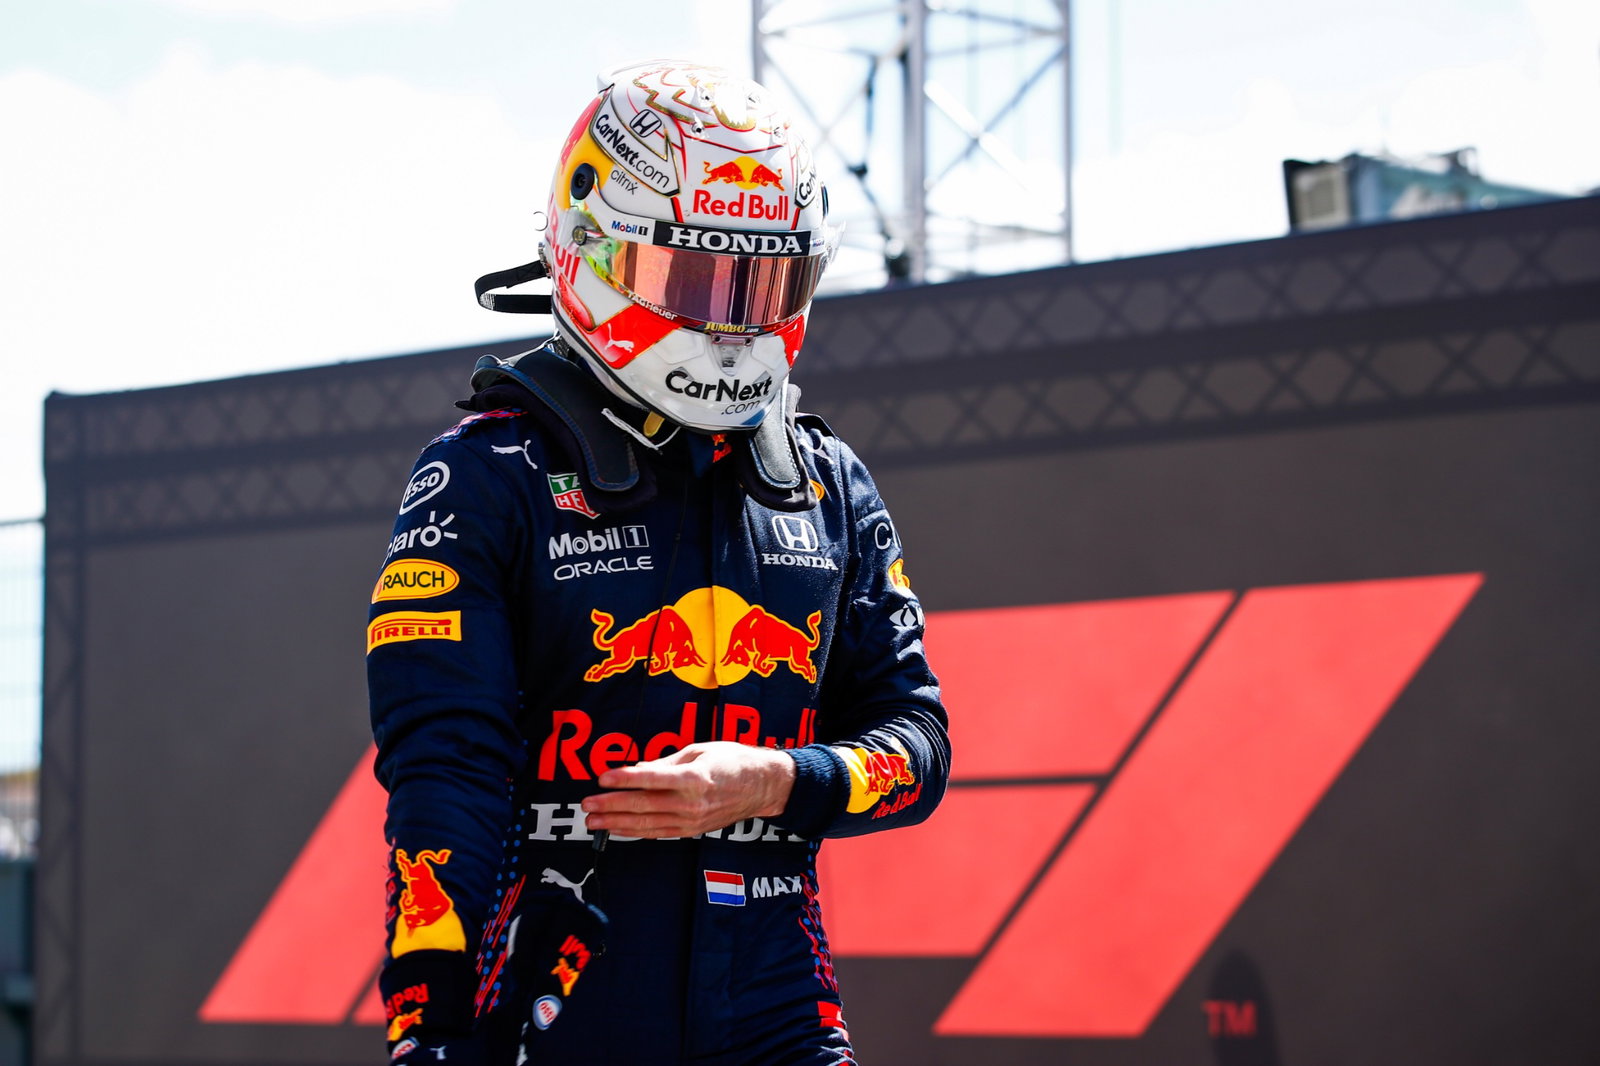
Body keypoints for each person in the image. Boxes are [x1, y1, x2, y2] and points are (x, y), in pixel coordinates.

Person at [367, 59, 949, 1066]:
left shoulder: (827, 482)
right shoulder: (483, 475)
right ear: (590, 251)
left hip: (779, 1008)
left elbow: (919, 747)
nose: (729, 323)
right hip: (555, 1008)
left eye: (760, 284)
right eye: (693, 279)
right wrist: (426, 1024)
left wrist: (774, 779)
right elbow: (442, 776)